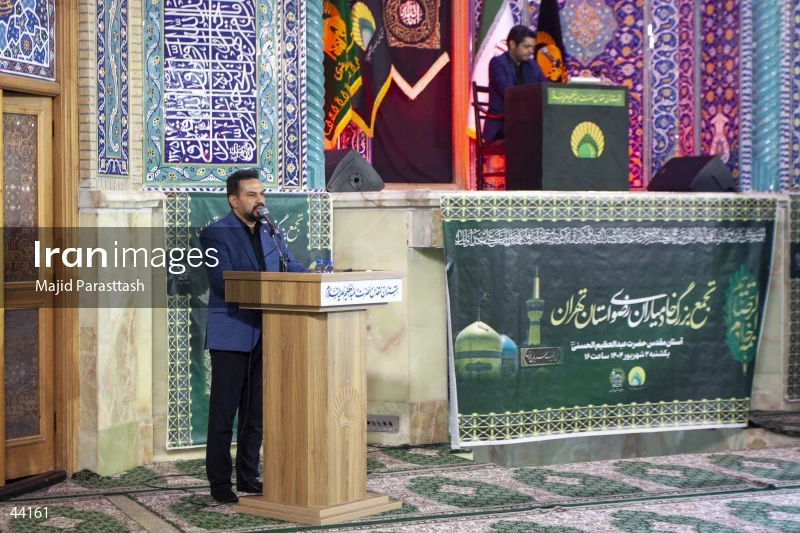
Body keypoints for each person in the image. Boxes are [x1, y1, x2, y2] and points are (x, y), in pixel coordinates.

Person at [200, 169, 309, 504]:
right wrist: (269, 287)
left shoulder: (271, 232)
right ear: (233, 200)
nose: (259, 200)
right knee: (224, 413)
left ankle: (248, 476)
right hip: (232, 332)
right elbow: (222, 281)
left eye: (261, 193)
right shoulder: (215, 233)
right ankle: (220, 482)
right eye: (251, 194)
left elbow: (289, 266)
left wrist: (319, 278)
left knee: (255, 413)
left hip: (268, 331)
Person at [483, 25, 547, 142]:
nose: (531, 51)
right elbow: (507, 90)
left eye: (532, 47)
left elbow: (546, 87)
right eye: (526, 47)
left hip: (527, 123)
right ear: (512, 44)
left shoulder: (532, 65)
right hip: (502, 124)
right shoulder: (497, 63)